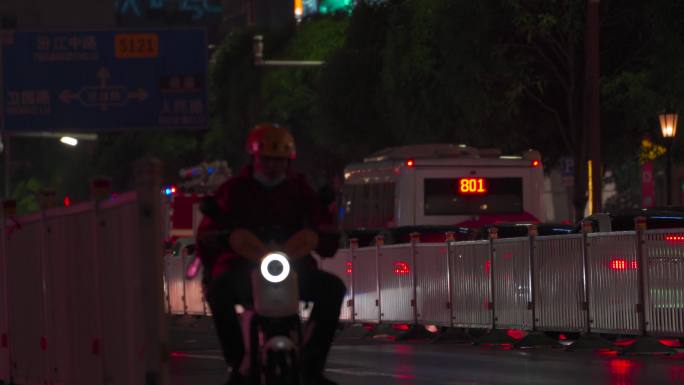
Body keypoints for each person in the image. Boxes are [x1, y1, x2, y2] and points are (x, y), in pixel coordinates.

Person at [196, 123, 346, 385]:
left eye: (279, 160)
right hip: (244, 268)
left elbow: (324, 232)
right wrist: (217, 245)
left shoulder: (301, 190)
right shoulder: (234, 190)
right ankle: (237, 362)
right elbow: (208, 233)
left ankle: (312, 364)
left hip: (294, 269)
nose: (272, 166)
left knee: (333, 288)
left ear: (288, 161)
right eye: (266, 159)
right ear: (254, 158)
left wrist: (327, 233)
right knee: (218, 290)